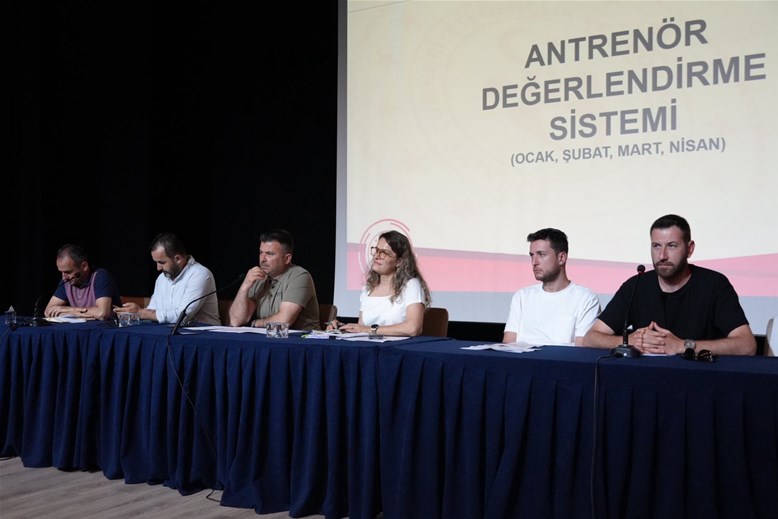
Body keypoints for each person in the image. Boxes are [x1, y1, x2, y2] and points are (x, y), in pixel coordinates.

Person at [583, 214, 756, 355]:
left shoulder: (714, 284)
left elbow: (747, 345)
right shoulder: (636, 285)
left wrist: (683, 345)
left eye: (672, 246)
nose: (662, 256)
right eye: (656, 246)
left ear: (690, 249)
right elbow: (591, 338)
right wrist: (630, 341)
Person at [502, 228, 600, 345]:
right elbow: (508, 344)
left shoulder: (586, 298)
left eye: (541, 254)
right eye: (532, 255)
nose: (534, 262)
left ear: (561, 258)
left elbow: (581, 349)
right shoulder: (522, 296)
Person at [328, 230, 431, 337]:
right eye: (376, 250)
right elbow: (361, 328)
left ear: (399, 262)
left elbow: (413, 328)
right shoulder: (368, 288)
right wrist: (342, 328)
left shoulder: (411, 285)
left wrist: (369, 329)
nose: (377, 256)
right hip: (370, 345)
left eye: (384, 253)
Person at [115, 233, 220, 325]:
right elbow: (152, 311)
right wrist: (130, 315)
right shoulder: (162, 278)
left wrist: (141, 312)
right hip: (169, 334)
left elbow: (181, 317)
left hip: (204, 336)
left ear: (178, 259)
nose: (158, 268)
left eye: (162, 262)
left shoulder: (200, 275)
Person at [229, 229, 320, 330]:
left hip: (301, 338)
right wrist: (244, 287)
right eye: (261, 252)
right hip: (268, 336)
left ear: (287, 258)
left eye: (269, 254)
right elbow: (236, 321)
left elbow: (284, 321)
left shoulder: (300, 276)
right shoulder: (258, 277)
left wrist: (255, 323)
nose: (263, 259)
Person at [44, 244, 122, 320]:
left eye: (68, 272)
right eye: (61, 272)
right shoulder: (67, 281)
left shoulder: (100, 276)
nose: (64, 278)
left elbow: (102, 314)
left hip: (106, 327)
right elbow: (48, 312)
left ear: (84, 266)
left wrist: (70, 310)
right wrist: (72, 313)